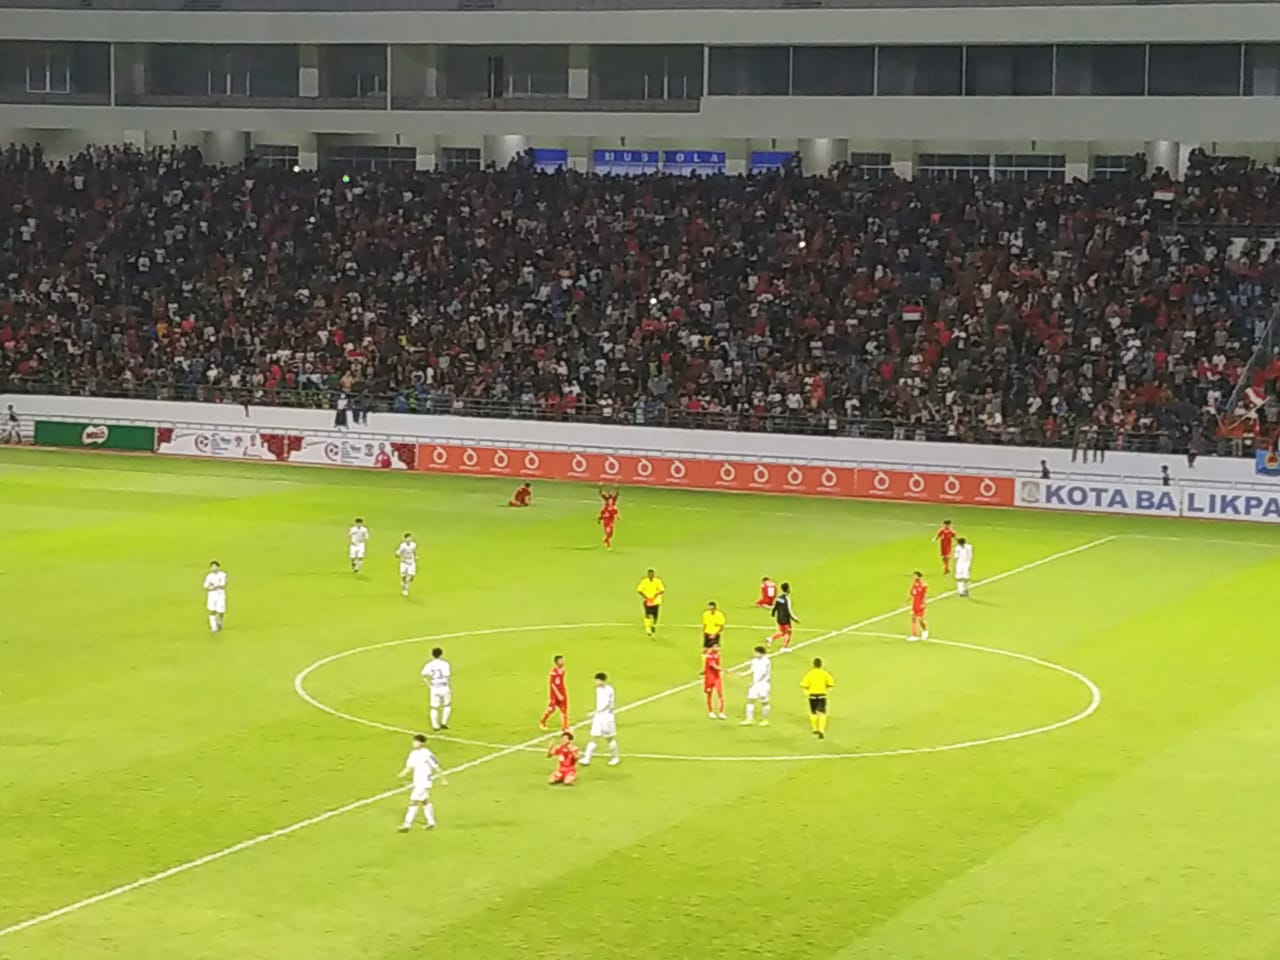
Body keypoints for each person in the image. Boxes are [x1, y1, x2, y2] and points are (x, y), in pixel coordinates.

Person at [397, 733, 446, 831]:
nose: (414, 743)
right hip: (417, 782)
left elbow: (436, 767)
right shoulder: (413, 754)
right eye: (413, 741)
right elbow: (409, 767)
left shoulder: (427, 754)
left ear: (421, 743)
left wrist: (443, 779)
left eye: (416, 741)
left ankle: (407, 824)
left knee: (413, 801)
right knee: (425, 801)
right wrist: (402, 774)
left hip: (424, 782)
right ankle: (431, 822)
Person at [580, 672, 620, 766]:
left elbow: (607, 705)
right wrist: (596, 713)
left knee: (609, 738)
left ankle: (615, 757)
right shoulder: (597, 689)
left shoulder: (609, 690)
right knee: (594, 736)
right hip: (598, 717)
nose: (596, 682)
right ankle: (587, 758)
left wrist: (594, 712)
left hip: (607, 717)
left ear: (603, 681)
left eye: (598, 680)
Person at [800, 657, 835, 738]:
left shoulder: (810, 674)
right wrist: (826, 688)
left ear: (813, 665)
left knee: (813, 712)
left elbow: (803, 684)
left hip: (812, 695)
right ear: (821, 665)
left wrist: (807, 691)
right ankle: (821, 730)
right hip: (822, 695)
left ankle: (815, 729)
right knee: (822, 713)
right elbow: (831, 683)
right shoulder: (824, 673)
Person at [421, 647, 452, 731]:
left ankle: (435, 726)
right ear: (441, 654)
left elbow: (423, 675)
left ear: (432, 655)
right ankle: (444, 723)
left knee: (434, 707)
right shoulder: (445, 664)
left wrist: (429, 685)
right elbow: (447, 676)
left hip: (434, 688)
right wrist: (450, 687)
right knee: (447, 705)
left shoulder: (429, 664)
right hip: (444, 687)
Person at [740, 645, 771, 726]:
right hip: (755, 684)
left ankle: (765, 720)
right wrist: (744, 674)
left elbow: (763, 673)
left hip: (763, 685)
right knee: (750, 700)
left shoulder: (766, 661)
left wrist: (756, 682)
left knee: (764, 702)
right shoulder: (754, 661)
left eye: (756, 652)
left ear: (761, 653)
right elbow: (752, 670)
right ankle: (749, 719)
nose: (754, 654)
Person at [539, 654, 569, 731]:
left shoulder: (563, 670)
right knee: (551, 709)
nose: (563, 661)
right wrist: (558, 695)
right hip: (555, 695)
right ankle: (542, 722)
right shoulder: (553, 672)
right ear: (556, 662)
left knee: (564, 710)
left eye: (563, 660)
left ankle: (565, 728)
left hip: (562, 692)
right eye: (561, 660)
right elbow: (552, 684)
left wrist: (562, 693)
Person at [769, 582, 798, 651]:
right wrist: (794, 618)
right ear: (788, 589)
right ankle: (784, 647)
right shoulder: (787, 599)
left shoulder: (778, 598)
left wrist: (773, 614)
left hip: (779, 618)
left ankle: (770, 638)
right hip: (785, 619)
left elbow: (775, 607)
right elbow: (788, 610)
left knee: (782, 632)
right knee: (788, 632)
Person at [636, 568, 666, 637]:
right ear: (648, 575)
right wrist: (646, 597)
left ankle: (653, 625)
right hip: (647, 601)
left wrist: (657, 594)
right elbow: (639, 590)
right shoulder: (644, 581)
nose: (651, 576)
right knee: (647, 614)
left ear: (654, 575)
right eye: (649, 574)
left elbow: (662, 590)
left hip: (656, 601)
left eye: (652, 574)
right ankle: (648, 629)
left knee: (655, 615)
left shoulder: (658, 581)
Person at [702, 638, 726, 719]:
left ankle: (721, 712)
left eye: (718, 647)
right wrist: (722, 669)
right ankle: (711, 711)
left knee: (720, 693)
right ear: (712, 647)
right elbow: (713, 665)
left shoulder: (717, 655)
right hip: (709, 678)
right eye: (716, 647)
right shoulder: (709, 655)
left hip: (717, 677)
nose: (717, 648)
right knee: (709, 695)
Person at [203, 560, 228, 633]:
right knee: (212, 611)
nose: (213, 568)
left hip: (220, 596)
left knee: (221, 611)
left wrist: (214, 586)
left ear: (218, 567)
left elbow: (223, 585)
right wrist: (213, 587)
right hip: (211, 596)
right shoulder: (209, 576)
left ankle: (220, 621)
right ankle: (213, 627)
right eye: (212, 567)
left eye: (215, 567)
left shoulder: (223, 575)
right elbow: (205, 586)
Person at [908, 570, 929, 642]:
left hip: (920, 604)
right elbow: (912, 594)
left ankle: (925, 631)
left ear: (919, 576)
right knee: (913, 619)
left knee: (920, 620)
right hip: (915, 604)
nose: (913, 577)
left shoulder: (924, 585)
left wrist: (924, 603)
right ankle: (914, 635)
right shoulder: (914, 584)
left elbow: (925, 595)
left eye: (915, 576)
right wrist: (907, 601)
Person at [395, 533, 417, 597]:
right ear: (405, 539)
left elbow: (414, 551)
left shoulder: (413, 544)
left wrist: (415, 556)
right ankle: (404, 585)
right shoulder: (402, 546)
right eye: (407, 538)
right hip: (404, 563)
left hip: (411, 563)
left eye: (410, 538)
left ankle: (405, 590)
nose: (409, 539)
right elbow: (397, 554)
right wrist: (399, 556)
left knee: (410, 576)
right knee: (404, 577)